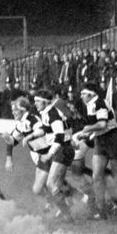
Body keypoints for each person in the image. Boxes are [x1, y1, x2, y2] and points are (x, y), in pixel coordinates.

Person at [73, 82, 117, 220]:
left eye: (84, 93)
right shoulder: (90, 105)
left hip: (113, 140)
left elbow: (102, 124)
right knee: (96, 175)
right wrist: (87, 135)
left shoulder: (99, 103)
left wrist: (87, 129)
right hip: (100, 141)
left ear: (91, 94)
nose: (81, 96)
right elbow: (98, 127)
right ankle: (101, 210)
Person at [25, 90, 76, 221]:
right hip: (59, 149)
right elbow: (46, 129)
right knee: (48, 186)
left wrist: (49, 154)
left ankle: (67, 213)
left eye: (38, 101)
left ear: (45, 102)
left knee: (51, 184)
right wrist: (31, 135)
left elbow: (59, 136)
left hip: (62, 150)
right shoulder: (47, 112)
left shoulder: (53, 114)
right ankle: (68, 203)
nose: (35, 103)